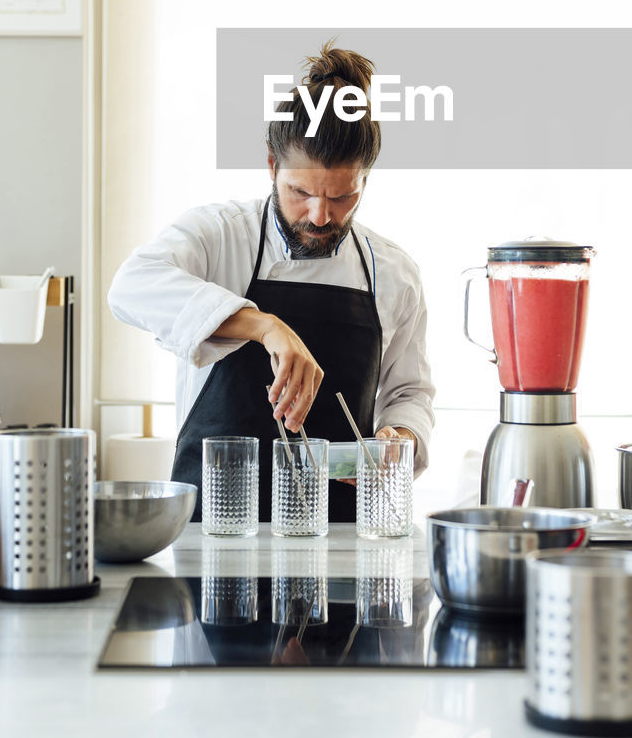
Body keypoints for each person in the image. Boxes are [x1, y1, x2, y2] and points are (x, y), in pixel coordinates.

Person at [108, 43, 435, 522]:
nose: (320, 216)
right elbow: (131, 287)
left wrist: (399, 439)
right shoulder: (219, 235)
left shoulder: (393, 272)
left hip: (339, 537)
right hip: (212, 532)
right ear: (271, 166)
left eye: (343, 197)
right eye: (300, 192)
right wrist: (264, 326)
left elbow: (410, 394)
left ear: (366, 180)